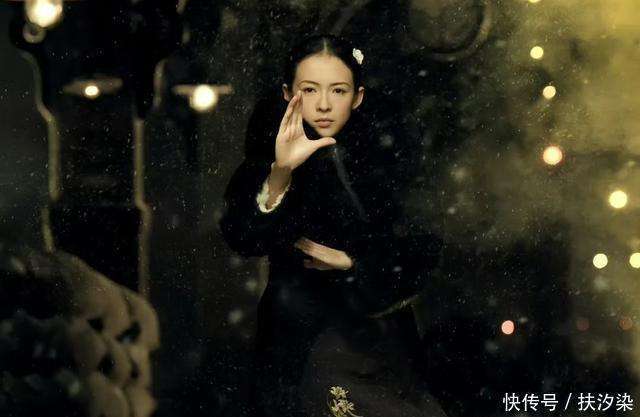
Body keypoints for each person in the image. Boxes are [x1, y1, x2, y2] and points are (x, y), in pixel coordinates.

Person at [219, 34, 447, 417]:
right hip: (299, 337)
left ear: (357, 97)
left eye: (338, 90)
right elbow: (242, 236)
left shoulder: (389, 155)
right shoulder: (269, 151)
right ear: (288, 93)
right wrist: (281, 171)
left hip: (379, 336)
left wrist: (355, 263)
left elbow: (423, 247)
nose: (324, 104)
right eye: (309, 90)